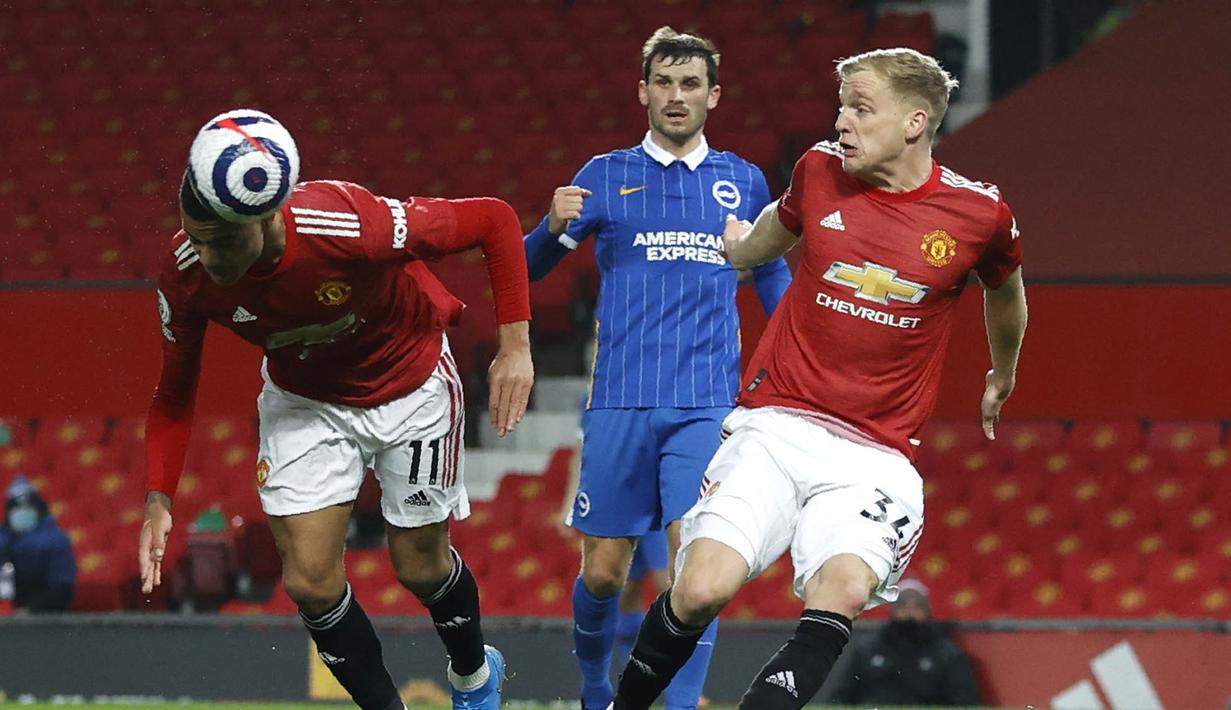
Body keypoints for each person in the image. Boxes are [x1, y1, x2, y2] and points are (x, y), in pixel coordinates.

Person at [610, 46, 1027, 710]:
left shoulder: (978, 216)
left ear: (915, 122)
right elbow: (783, 222)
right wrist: (738, 249)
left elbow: (1004, 292)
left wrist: (1000, 373)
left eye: (861, 109)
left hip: (875, 453)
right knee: (696, 591)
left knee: (844, 590)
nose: (842, 122)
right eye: (840, 107)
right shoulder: (819, 170)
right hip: (775, 423)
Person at [137, 109, 534, 710]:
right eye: (195, 236)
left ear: (266, 216)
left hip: (411, 382)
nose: (207, 257)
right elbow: (173, 391)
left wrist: (515, 347)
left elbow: (493, 219)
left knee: (419, 567)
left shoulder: (347, 222)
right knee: (310, 582)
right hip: (306, 402)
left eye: (221, 241)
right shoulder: (186, 273)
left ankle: (475, 678)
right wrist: (159, 496)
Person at [524, 27, 792, 710]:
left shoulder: (743, 181)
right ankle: (592, 688)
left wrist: (796, 360)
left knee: (692, 567)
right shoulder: (603, 175)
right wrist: (548, 227)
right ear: (643, 92)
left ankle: (675, 706)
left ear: (713, 96)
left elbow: (775, 285)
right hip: (619, 401)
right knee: (605, 573)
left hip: (705, 404)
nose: (677, 97)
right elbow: (525, 271)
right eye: (665, 84)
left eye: (690, 84)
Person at [819, 578, 983, 705]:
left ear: (927, 612)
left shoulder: (948, 655)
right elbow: (841, 698)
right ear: (893, 611)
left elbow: (965, 702)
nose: (910, 613)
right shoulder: (867, 652)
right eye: (903, 607)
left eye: (917, 607)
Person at [0, 475, 76, 613]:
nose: (22, 513)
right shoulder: (3, 539)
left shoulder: (55, 540)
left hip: (41, 615)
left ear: (39, 510)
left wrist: (29, 611)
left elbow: (62, 587)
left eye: (27, 508)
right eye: (17, 509)